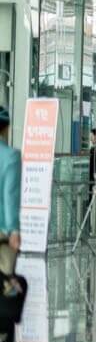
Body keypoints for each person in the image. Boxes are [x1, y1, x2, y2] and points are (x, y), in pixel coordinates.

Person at [0, 107, 19, 272]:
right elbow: (9, 195)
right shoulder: (10, 156)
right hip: (2, 230)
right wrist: (13, 230)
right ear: (6, 128)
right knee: (5, 278)